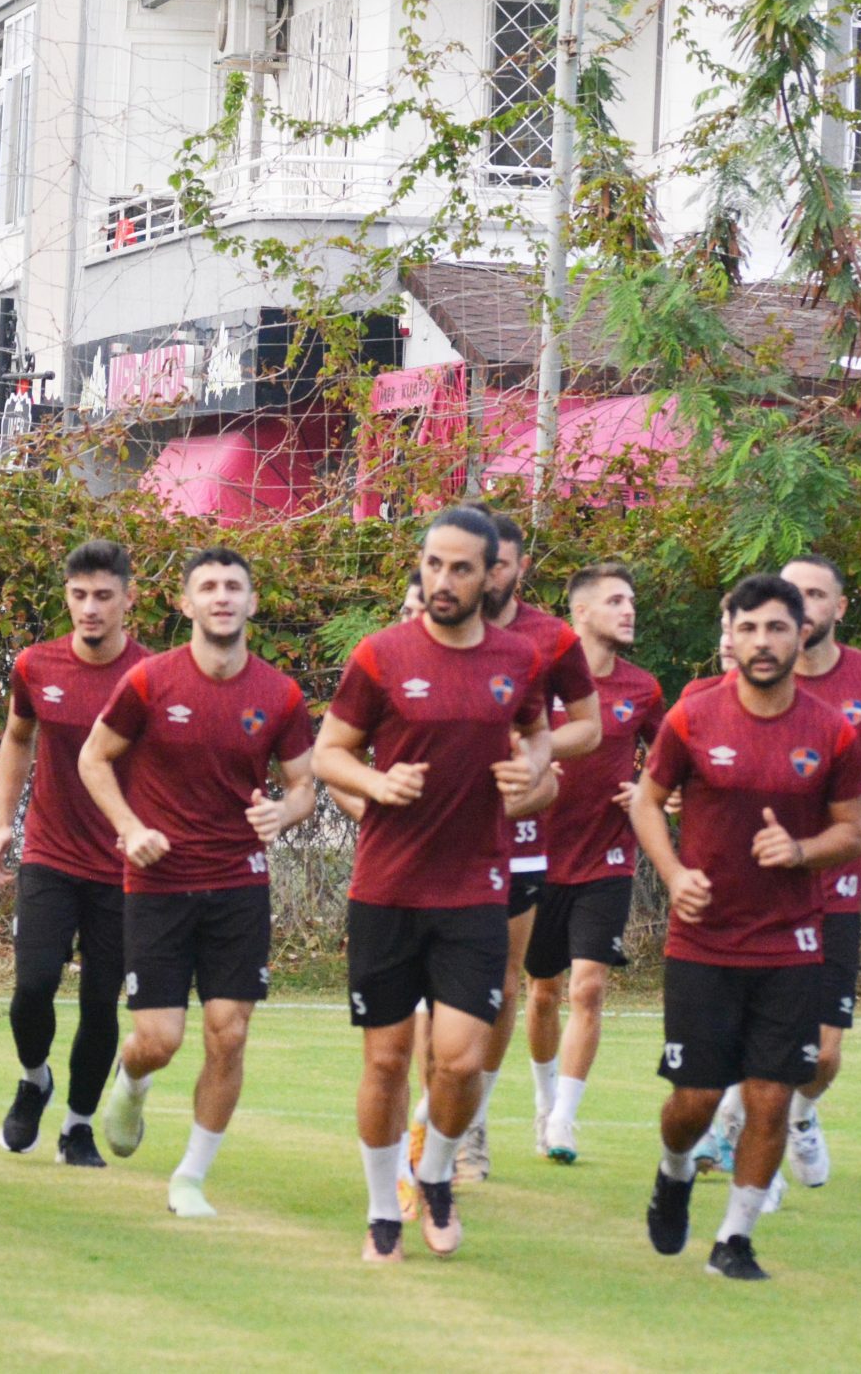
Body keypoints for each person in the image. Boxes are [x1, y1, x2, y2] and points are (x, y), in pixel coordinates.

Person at [314, 509, 551, 1260]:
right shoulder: (381, 655)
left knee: (459, 1057)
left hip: (475, 888)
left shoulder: (518, 659)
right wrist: (376, 784)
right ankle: (383, 1210)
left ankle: (438, 1171)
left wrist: (533, 772)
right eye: (433, 564)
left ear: (492, 576)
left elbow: (540, 739)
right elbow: (329, 752)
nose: (442, 580)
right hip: (385, 889)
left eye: (460, 568)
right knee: (385, 1060)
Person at [629, 573, 861, 1282]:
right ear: (730, 635)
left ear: (802, 635)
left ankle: (735, 1238)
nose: (762, 642)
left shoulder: (832, 731)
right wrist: (674, 874)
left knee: (770, 1096)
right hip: (703, 940)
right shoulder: (692, 718)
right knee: (696, 1099)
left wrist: (800, 851)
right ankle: (674, 1170)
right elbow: (646, 802)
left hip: (791, 942)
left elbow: (852, 832)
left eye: (777, 628)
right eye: (749, 628)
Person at [85, 548, 317, 1220]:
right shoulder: (149, 681)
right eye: (208, 586)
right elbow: (93, 758)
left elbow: (305, 785)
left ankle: (190, 1175)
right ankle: (131, 1079)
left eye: (233, 586)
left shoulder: (279, 695)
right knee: (160, 1040)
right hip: (158, 882)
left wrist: (284, 812)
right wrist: (129, 827)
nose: (222, 596)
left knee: (229, 1033)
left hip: (239, 882)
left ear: (251, 601)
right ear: (186, 603)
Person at [411, 502, 598, 1183]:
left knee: (501, 984)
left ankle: (472, 1124)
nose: (483, 577)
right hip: (432, 837)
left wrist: (534, 754)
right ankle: (434, 1114)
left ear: (513, 568)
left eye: (495, 565)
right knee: (430, 993)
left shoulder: (551, 641)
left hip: (517, 835)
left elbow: (587, 727)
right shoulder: (423, 630)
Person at [0, 538, 148, 1166]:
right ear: (66, 597)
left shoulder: (151, 676)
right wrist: (4, 823)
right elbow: (16, 736)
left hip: (120, 865)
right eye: (79, 595)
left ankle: (77, 1127)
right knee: (32, 987)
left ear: (128, 599)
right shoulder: (36, 665)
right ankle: (35, 1080)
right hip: (50, 854)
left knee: (100, 1002)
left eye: (104, 596)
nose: (90, 608)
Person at [760, 555, 861, 1190]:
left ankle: (801, 1114)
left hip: (837, 885)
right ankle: (752, 1155)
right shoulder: (757, 671)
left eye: (816, 594)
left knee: (823, 1053)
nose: (803, 604)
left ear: (839, 607)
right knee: (764, 1036)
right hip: (764, 883)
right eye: (792, 593)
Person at [522, 563, 664, 1166]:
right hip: (537, 857)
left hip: (607, 860)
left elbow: (672, 761)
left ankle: (564, 1119)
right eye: (615, 601)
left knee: (588, 988)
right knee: (543, 992)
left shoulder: (643, 689)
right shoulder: (538, 679)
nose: (629, 610)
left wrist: (652, 791)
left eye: (630, 600)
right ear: (580, 613)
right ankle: (543, 1100)